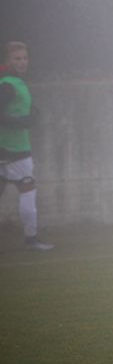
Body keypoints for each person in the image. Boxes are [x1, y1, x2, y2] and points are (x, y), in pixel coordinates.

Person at [0, 41, 54, 250]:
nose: (22, 62)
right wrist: (24, 121)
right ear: (7, 60)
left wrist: (33, 114)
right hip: (14, 149)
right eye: (17, 58)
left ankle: (31, 238)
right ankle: (31, 239)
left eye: (24, 58)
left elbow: (22, 110)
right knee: (28, 189)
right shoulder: (7, 84)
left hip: (7, 148)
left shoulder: (15, 82)